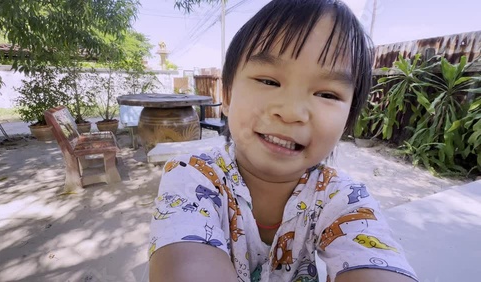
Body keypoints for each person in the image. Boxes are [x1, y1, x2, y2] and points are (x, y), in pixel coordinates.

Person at [148, 0, 418, 281]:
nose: (291, 112)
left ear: (347, 121)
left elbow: (378, 264)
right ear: (227, 96)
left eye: (327, 94)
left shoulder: (344, 198)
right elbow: (185, 267)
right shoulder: (191, 176)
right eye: (268, 81)